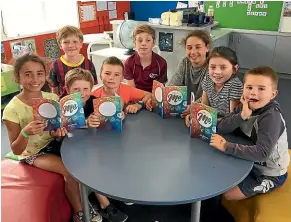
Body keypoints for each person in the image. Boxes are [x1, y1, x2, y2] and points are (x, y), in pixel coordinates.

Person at [2, 53, 101, 222]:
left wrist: (59, 130)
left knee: (89, 156)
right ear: (17, 77)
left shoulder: (52, 98)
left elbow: (62, 126)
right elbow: (17, 149)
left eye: (39, 73)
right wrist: (26, 132)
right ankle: (80, 212)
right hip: (34, 153)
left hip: (55, 142)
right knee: (69, 172)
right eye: (28, 74)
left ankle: (99, 198)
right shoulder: (12, 110)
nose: (35, 79)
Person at [210, 66, 290, 200]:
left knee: (228, 194)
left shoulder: (271, 117)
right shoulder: (245, 106)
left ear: (273, 94)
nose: (253, 93)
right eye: (249, 87)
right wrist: (241, 116)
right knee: (217, 176)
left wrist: (226, 146)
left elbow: (262, 153)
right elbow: (221, 127)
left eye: (261, 89)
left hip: (269, 172)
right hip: (250, 161)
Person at [65, 68, 128, 222]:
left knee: (109, 151)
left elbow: (109, 116)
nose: (82, 93)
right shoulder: (65, 104)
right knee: (88, 162)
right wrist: (85, 124)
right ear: (68, 89)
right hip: (67, 145)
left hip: (87, 143)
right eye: (76, 89)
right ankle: (104, 204)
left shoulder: (94, 101)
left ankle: (108, 194)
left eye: (86, 88)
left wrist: (119, 114)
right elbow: (65, 127)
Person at [185, 46, 243, 126]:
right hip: (210, 121)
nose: (217, 72)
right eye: (212, 67)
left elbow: (233, 118)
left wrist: (207, 121)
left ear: (234, 69)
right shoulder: (208, 78)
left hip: (226, 126)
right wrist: (195, 115)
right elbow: (204, 105)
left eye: (223, 67)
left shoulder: (235, 85)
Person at [168, 30, 211, 118]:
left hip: (203, 114)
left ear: (207, 48)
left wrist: (192, 107)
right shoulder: (185, 62)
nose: (193, 52)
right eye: (189, 47)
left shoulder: (212, 67)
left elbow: (210, 97)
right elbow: (172, 86)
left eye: (198, 47)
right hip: (182, 111)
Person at [48, 25, 98, 98]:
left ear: (81, 44)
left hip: (85, 103)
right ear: (60, 45)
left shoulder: (89, 64)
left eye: (75, 41)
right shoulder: (55, 66)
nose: (71, 45)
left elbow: (93, 87)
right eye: (66, 42)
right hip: (65, 105)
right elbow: (54, 90)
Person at [124, 24, 167, 93]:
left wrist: (151, 100)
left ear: (153, 43)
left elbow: (159, 91)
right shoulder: (129, 63)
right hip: (135, 98)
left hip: (153, 99)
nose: (143, 43)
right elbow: (131, 90)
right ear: (134, 43)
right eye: (140, 40)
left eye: (148, 40)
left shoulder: (162, 63)